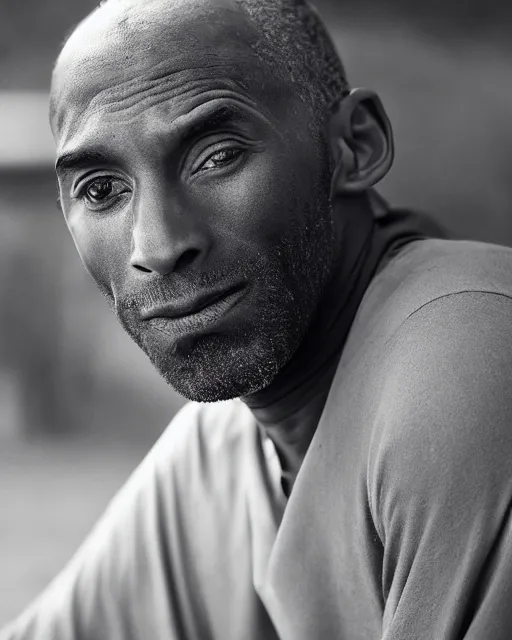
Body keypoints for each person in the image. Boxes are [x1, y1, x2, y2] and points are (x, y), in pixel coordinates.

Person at [3, 0, 512, 638]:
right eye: (102, 190)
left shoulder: (466, 367)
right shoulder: (227, 446)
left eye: (216, 155)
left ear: (355, 145)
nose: (157, 246)